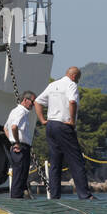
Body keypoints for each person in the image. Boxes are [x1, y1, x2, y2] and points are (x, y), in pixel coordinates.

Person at [33, 66, 92, 200]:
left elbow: (37, 101)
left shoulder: (53, 85)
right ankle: (84, 195)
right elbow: (72, 101)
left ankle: (54, 196)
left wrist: (42, 120)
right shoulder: (71, 85)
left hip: (51, 125)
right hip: (63, 125)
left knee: (55, 162)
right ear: (74, 76)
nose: (77, 81)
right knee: (76, 161)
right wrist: (72, 121)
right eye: (78, 79)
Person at [3, 91, 36, 199]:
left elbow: (5, 128)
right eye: (32, 101)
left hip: (18, 147)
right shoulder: (22, 112)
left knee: (20, 175)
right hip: (21, 148)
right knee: (20, 176)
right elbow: (13, 127)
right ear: (25, 100)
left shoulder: (14, 111)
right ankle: (16, 200)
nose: (33, 104)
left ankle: (17, 199)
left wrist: (12, 142)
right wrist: (16, 143)